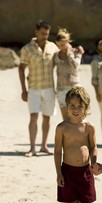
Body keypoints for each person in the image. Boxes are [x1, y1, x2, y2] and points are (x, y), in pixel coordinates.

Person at [54, 86, 97, 203]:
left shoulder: (89, 127)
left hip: (85, 172)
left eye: (80, 106)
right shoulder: (62, 127)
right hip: (68, 171)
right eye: (72, 105)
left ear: (85, 107)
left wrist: (94, 162)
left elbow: (93, 146)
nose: (76, 109)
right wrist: (59, 173)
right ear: (66, 106)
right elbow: (58, 151)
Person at [18, 19, 59, 157]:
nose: (44, 36)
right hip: (34, 88)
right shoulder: (26, 49)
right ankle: (32, 148)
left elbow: (62, 59)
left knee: (47, 118)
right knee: (34, 117)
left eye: (47, 34)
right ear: (36, 32)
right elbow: (21, 69)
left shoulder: (53, 47)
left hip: (49, 88)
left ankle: (44, 146)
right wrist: (24, 90)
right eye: (42, 33)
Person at [54, 28, 85, 120]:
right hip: (60, 89)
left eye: (63, 45)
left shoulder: (76, 52)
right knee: (66, 119)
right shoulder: (56, 55)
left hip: (74, 88)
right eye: (59, 46)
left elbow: (75, 66)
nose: (61, 48)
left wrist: (69, 54)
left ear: (67, 41)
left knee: (78, 117)